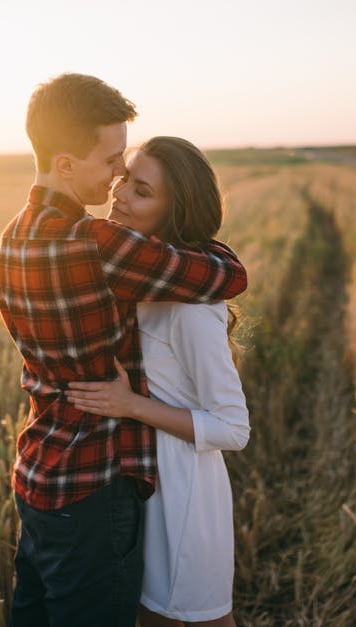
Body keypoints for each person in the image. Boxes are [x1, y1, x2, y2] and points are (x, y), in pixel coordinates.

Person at [0, 74, 248, 627]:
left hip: (37, 477)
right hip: (93, 487)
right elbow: (227, 274)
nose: (116, 177)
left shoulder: (10, 238)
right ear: (65, 165)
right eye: (113, 161)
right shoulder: (96, 244)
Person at [66, 136, 250, 627]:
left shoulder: (190, 308)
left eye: (141, 191)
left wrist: (130, 406)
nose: (120, 193)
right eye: (125, 178)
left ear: (173, 214)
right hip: (142, 487)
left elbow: (234, 428)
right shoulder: (141, 281)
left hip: (184, 498)